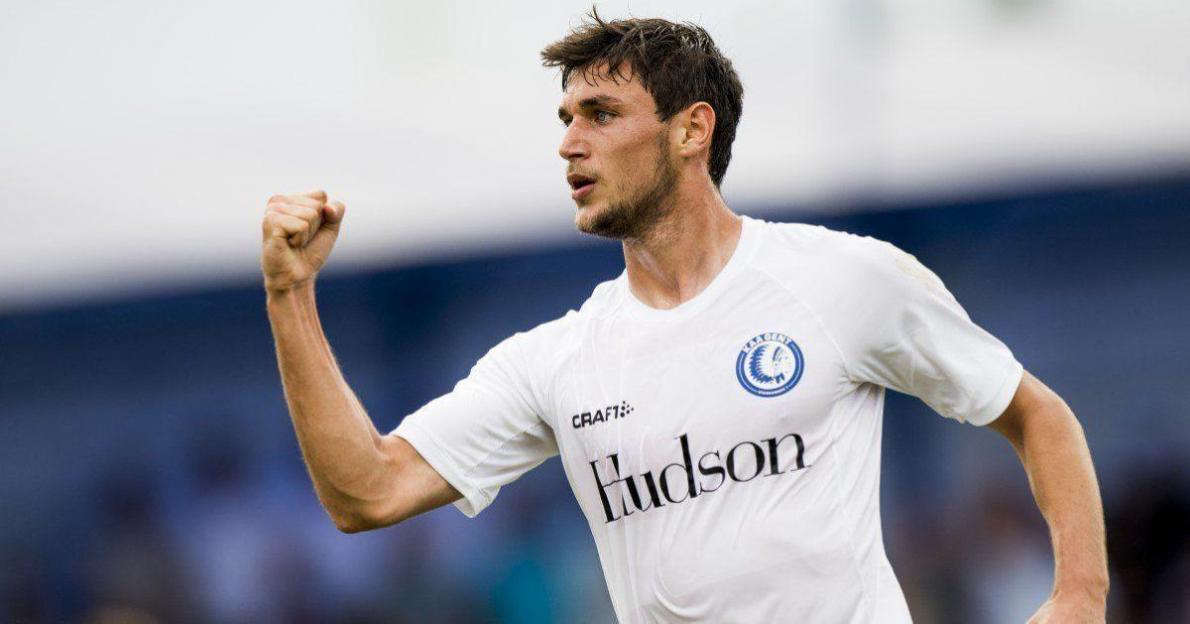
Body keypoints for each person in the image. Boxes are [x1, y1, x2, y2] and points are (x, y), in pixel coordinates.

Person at [260, 11, 1108, 623]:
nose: (568, 143)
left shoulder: (842, 278)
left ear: (691, 130)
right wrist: (290, 295)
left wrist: (1079, 595)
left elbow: (1038, 415)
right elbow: (368, 491)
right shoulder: (556, 360)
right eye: (565, 120)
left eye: (601, 115)